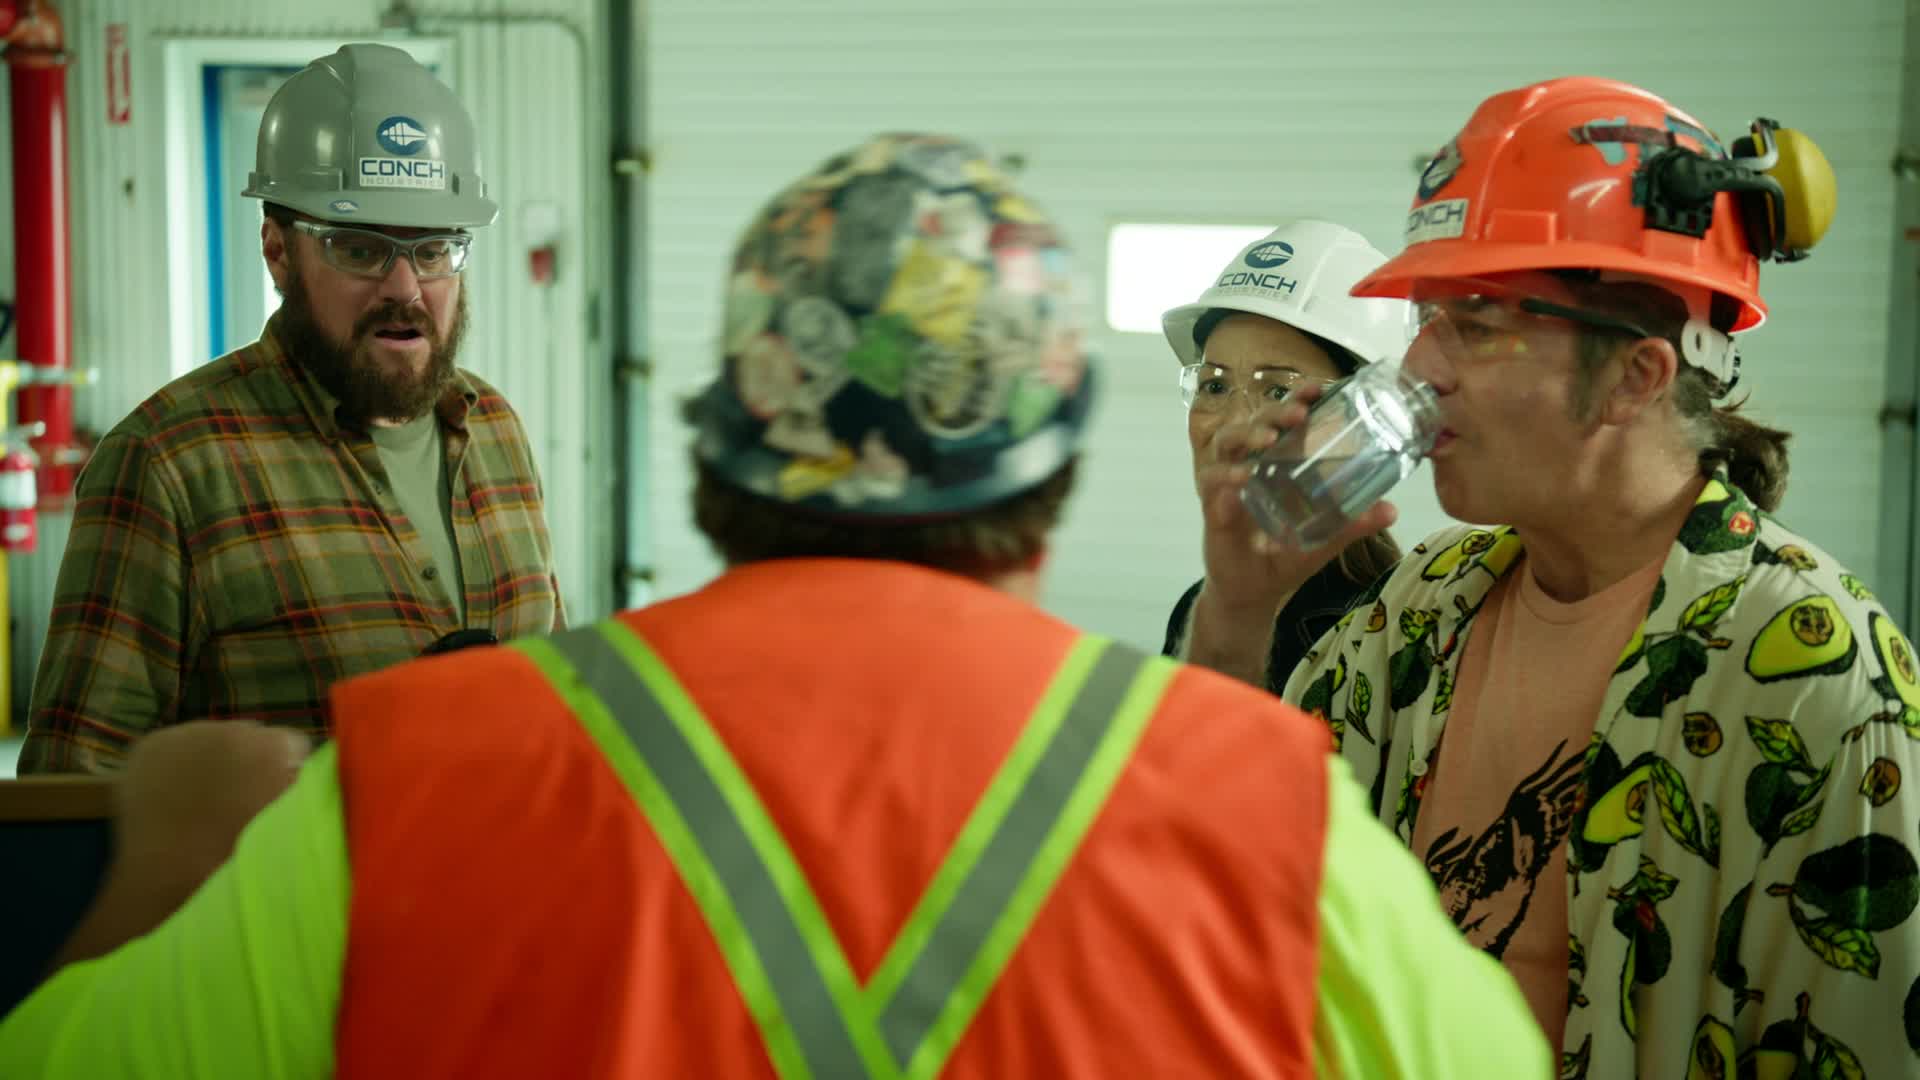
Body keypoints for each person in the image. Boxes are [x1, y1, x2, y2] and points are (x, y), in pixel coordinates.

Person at [0, 133, 1549, 1078]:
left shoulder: (400, 786)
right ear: (1054, 473)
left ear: (719, 443)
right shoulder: (1270, 825)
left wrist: (174, 858)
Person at [1191, 76, 1917, 1076]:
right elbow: (1220, 870)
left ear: (1634, 376)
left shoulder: (1817, 680)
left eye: (1478, 322)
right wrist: (1239, 608)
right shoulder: (1426, 608)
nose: (1422, 366)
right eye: (1429, 317)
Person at [19, 43, 563, 773]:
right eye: (361, 250)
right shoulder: (168, 466)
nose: (405, 287)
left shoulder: (494, 428)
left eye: (434, 249)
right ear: (278, 251)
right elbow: (71, 788)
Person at [1160, 221, 1409, 692]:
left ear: (1365, 420)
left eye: (1278, 390)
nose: (1233, 426)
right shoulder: (1199, 610)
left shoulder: (1392, 632)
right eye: (1214, 385)